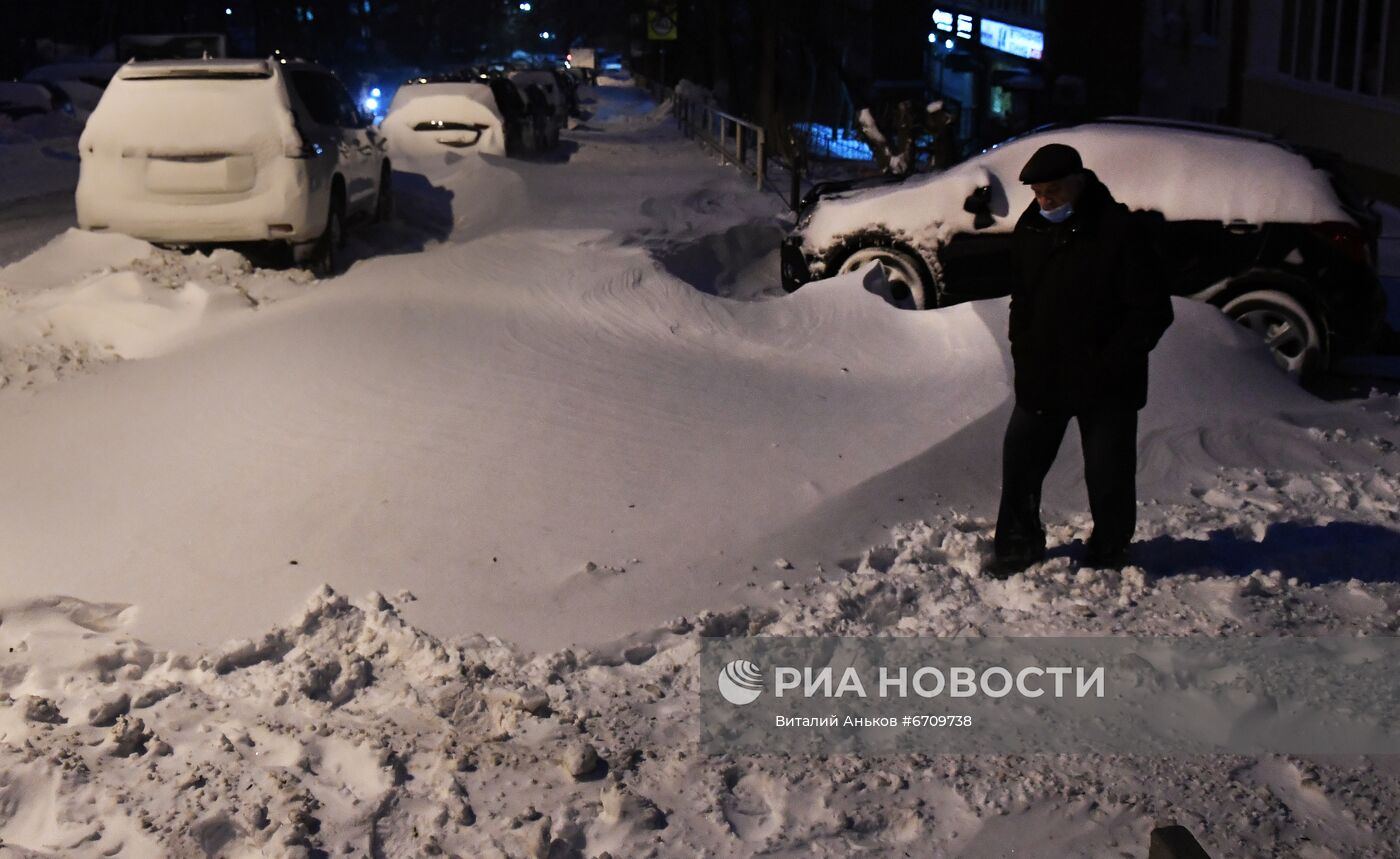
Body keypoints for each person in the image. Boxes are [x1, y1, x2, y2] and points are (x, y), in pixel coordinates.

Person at [989, 143, 1173, 578]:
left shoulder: (1118, 230)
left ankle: (1110, 549)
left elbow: (1152, 311)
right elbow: (1023, 297)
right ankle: (1017, 546)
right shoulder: (1032, 228)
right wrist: (1023, 347)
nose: (1044, 202)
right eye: (1037, 193)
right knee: (1021, 459)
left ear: (1078, 181)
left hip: (1107, 381)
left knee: (1108, 472)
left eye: (1052, 192)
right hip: (1044, 373)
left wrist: (1111, 360)